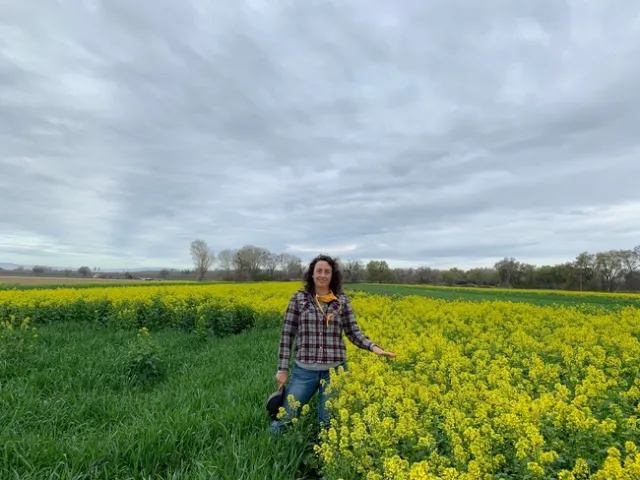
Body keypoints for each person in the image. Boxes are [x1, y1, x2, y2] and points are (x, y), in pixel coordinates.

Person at [269, 254, 397, 436]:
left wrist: (374, 348)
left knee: (328, 423)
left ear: (332, 275)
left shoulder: (341, 301)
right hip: (304, 371)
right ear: (312, 274)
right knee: (284, 417)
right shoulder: (299, 299)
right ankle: (270, 452)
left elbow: (353, 332)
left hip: (335, 373)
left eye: (327, 272)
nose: (322, 275)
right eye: (319, 271)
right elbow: (287, 335)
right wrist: (282, 369)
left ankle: (322, 458)